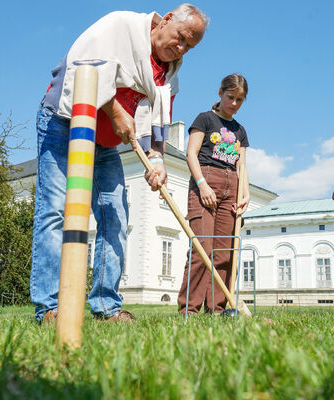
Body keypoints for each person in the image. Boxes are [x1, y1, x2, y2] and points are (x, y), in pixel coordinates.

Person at [31, 4, 208, 324]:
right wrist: (115, 112)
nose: (180, 48)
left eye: (189, 46)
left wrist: (157, 158)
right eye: (180, 38)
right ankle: (48, 308)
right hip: (64, 122)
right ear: (166, 20)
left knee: (115, 214)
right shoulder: (121, 27)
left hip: (105, 142)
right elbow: (81, 67)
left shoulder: (169, 72)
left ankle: (106, 306)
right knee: (55, 211)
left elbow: (160, 121)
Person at [177, 74, 251, 315]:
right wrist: (202, 184)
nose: (234, 104)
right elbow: (191, 153)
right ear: (220, 92)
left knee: (225, 251)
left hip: (232, 186)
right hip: (206, 181)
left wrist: (245, 193)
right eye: (231, 97)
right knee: (202, 248)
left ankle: (217, 308)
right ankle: (189, 309)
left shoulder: (240, 130)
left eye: (240, 100)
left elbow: (241, 165)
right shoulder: (205, 119)